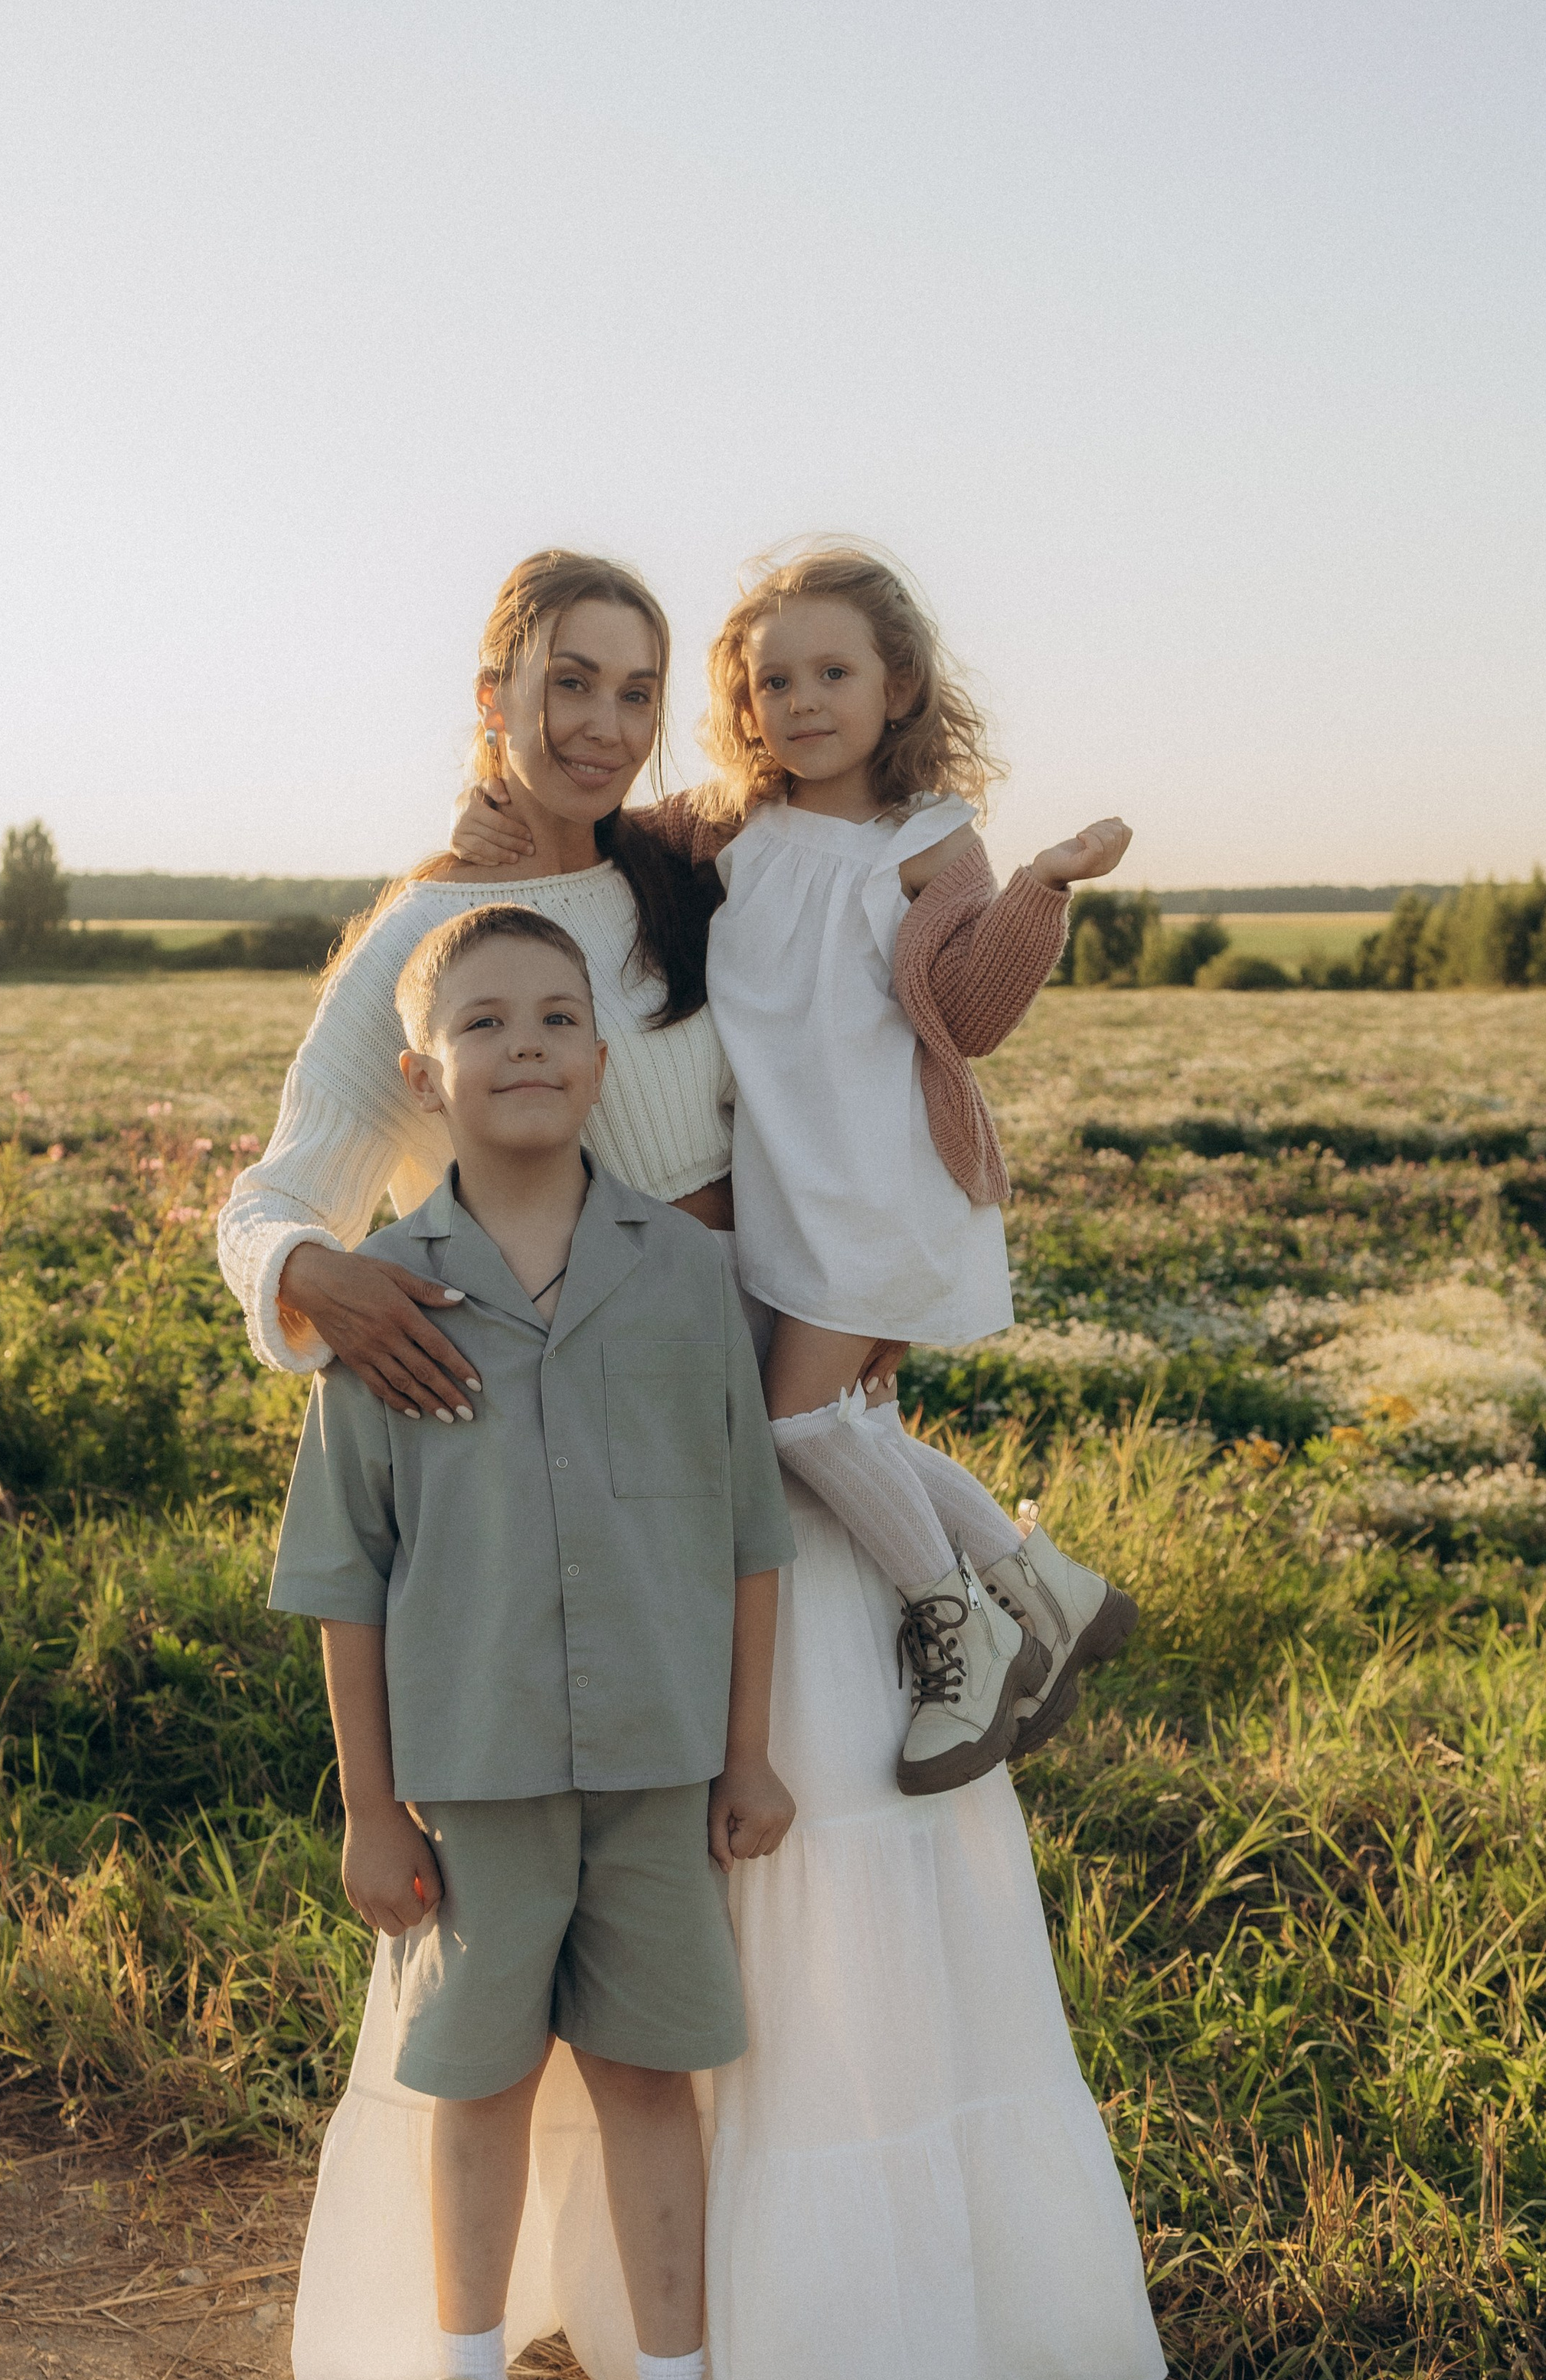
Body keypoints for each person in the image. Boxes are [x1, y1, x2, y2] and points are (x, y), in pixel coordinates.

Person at [220, 545, 1164, 2380]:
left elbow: (855, 1027)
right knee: (610, 1898)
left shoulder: (688, 873)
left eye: (635, 689)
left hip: (777, 1438)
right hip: (583, 1485)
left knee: (834, 1863)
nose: (601, 721)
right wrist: (313, 1268)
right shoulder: (429, 926)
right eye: (567, 681)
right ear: (493, 691)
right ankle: (609, 2345)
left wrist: (909, 1205)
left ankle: (902, 2357)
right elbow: (284, 1182)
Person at [268, 901, 795, 2380]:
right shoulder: (381, 1304)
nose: (526, 1047)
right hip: (472, 1781)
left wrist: (743, 1756)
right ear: (424, 1073)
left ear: (599, 1055)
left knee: (651, 2079)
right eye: (485, 1024)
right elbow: (344, 1574)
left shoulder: (685, 1276)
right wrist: (366, 1805)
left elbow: (745, 1535)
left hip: (653, 1773)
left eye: (558, 1018)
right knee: (477, 2084)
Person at [462, 544, 1142, 1794]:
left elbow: (977, 1007)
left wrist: (1041, 890)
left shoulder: (933, 844)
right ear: (742, 703)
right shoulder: (734, 825)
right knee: (826, 1422)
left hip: (880, 1177)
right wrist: (489, 826)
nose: (805, 702)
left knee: (787, 1422)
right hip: (794, 1183)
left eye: (835, 672)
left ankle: (965, 1622)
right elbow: (599, 840)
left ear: (900, 689)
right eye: (775, 682)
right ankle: (1042, 1581)